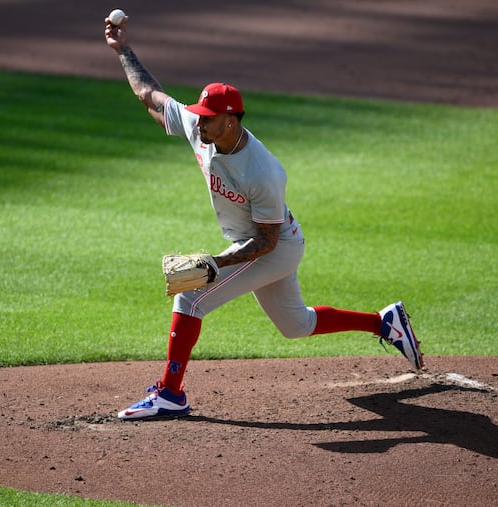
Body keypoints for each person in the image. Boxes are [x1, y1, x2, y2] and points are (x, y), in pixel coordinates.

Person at [105, 14, 424, 421]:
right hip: (261, 245)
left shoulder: (263, 172)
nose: (199, 121)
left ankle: (170, 393)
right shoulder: (203, 130)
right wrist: (122, 50)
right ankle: (384, 323)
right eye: (199, 114)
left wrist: (213, 263)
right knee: (296, 324)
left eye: (208, 117)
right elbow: (149, 95)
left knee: (191, 295)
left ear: (231, 121)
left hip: (275, 248)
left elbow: (268, 242)